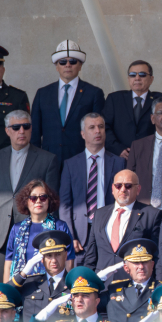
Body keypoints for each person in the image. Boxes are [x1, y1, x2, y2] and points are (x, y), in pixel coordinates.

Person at [0, 110, 60, 270]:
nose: (21, 131)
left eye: (26, 126)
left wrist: (48, 233)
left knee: (32, 280)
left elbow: (52, 202)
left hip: (34, 231)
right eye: (16, 127)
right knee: (1, 284)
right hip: (0, 231)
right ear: (7, 130)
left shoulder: (47, 159)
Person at [59, 113, 126, 265]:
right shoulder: (70, 164)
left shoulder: (119, 162)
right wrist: (70, 236)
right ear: (83, 134)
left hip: (109, 229)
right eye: (92, 127)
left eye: (101, 127)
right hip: (81, 233)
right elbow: (65, 205)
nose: (97, 131)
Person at [29, 40, 106, 163]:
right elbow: (35, 132)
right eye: (63, 62)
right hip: (48, 159)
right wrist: (36, 159)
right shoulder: (42, 93)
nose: (68, 65)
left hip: (80, 157)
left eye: (73, 61)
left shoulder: (93, 93)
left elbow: (98, 129)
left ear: (80, 65)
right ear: (57, 66)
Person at [81, 169, 162, 271]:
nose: (123, 189)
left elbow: (158, 255)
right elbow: (91, 255)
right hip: (103, 282)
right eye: (118, 185)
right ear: (112, 188)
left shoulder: (151, 214)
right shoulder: (99, 214)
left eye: (128, 185)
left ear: (138, 189)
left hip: (132, 282)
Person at [3, 180, 74, 282]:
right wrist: (7, 291)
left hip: (51, 286)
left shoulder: (60, 226)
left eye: (43, 197)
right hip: (22, 286)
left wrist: (63, 287)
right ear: (26, 201)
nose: (38, 201)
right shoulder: (17, 229)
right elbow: (8, 264)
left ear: (49, 200)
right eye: (33, 198)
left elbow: (69, 260)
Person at [102, 60, 162, 160]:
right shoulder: (115, 99)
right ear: (129, 79)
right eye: (133, 75)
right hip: (119, 158)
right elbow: (104, 126)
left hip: (151, 158)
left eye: (142, 74)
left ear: (151, 79)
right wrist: (118, 149)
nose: (137, 78)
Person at [9, 230, 73, 322]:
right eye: (49, 256)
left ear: (65, 255)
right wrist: (23, 273)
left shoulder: (74, 284)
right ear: (42, 259)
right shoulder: (30, 284)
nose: (54, 260)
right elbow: (5, 295)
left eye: (58, 254)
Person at [25, 267, 109, 322]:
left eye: (85, 295)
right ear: (72, 300)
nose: (79, 300)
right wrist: (44, 314)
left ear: (97, 301)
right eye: (75, 296)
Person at [106, 239, 162, 322]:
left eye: (144, 262)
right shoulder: (114, 290)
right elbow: (89, 301)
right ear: (126, 268)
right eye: (136, 263)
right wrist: (99, 279)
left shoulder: (161, 290)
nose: (141, 267)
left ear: (152, 265)